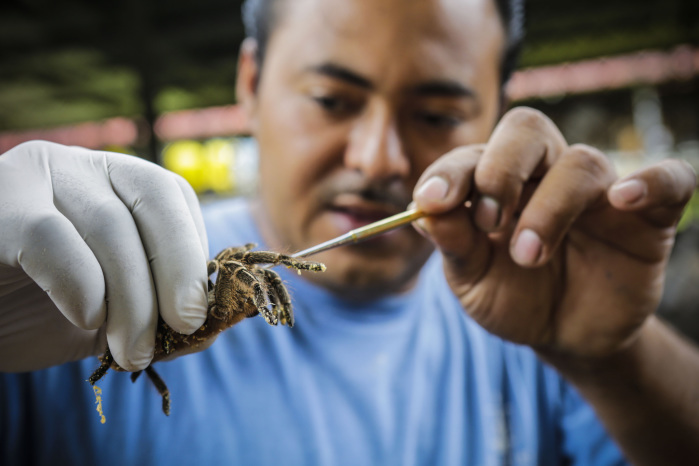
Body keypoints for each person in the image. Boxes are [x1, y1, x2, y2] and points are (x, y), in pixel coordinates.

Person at [1, 0, 698, 464]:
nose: (377, 159)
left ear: (496, 110)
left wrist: (614, 357)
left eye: (435, 113)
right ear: (250, 83)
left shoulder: (527, 310)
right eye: (331, 100)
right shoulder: (73, 296)